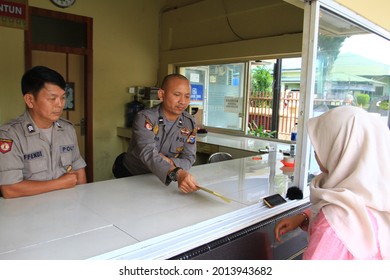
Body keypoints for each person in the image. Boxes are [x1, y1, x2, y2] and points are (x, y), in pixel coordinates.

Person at [274, 106, 390, 260]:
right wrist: (305, 216)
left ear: (341, 150)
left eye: (321, 145)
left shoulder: (334, 224)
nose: (316, 151)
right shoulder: (376, 194)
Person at [0, 66, 87, 199]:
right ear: (30, 100)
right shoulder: (10, 135)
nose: (60, 104)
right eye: (52, 98)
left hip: (67, 207)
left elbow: (78, 168)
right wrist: (59, 183)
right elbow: (10, 189)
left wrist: (83, 202)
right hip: (28, 213)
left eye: (63, 97)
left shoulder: (67, 129)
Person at [114, 73, 198, 193]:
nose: (182, 101)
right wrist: (176, 172)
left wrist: (170, 162)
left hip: (159, 180)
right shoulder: (145, 118)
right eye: (177, 95)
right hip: (133, 175)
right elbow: (147, 152)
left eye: (187, 96)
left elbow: (189, 158)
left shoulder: (190, 123)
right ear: (161, 95)